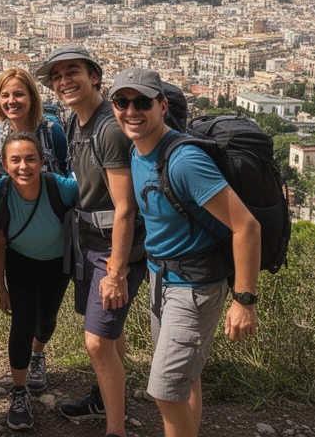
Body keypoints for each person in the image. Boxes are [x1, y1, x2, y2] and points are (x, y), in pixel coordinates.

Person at [108, 68, 260, 437]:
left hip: (194, 287)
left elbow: (247, 226)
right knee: (183, 382)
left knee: (164, 389)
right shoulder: (138, 150)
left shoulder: (183, 161)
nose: (131, 111)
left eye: (142, 102)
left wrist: (244, 300)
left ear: (162, 106)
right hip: (163, 278)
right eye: (122, 102)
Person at [36, 45, 145, 437]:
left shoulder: (109, 129)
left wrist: (116, 271)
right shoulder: (75, 124)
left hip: (114, 251)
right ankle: (104, 399)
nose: (64, 80)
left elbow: (125, 208)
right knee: (109, 336)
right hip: (89, 244)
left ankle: (115, 429)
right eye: (57, 76)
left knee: (97, 342)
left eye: (73, 72)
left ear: (94, 76)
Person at [0, 132, 78, 431]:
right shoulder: (1, 192)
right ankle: (18, 390)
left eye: (30, 159)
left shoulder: (60, 188)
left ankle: (38, 353)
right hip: (20, 261)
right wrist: (0, 285)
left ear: (42, 161)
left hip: (57, 263)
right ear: (4, 163)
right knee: (23, 323)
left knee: (47, 319)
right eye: (15, 160)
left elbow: (92, 192)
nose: (23, 166)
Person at [0, 67, 70, 182]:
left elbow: (68, 171)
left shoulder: (51, 131)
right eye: (5, 95)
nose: (11, 101)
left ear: (32, 97)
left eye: (19, 94)